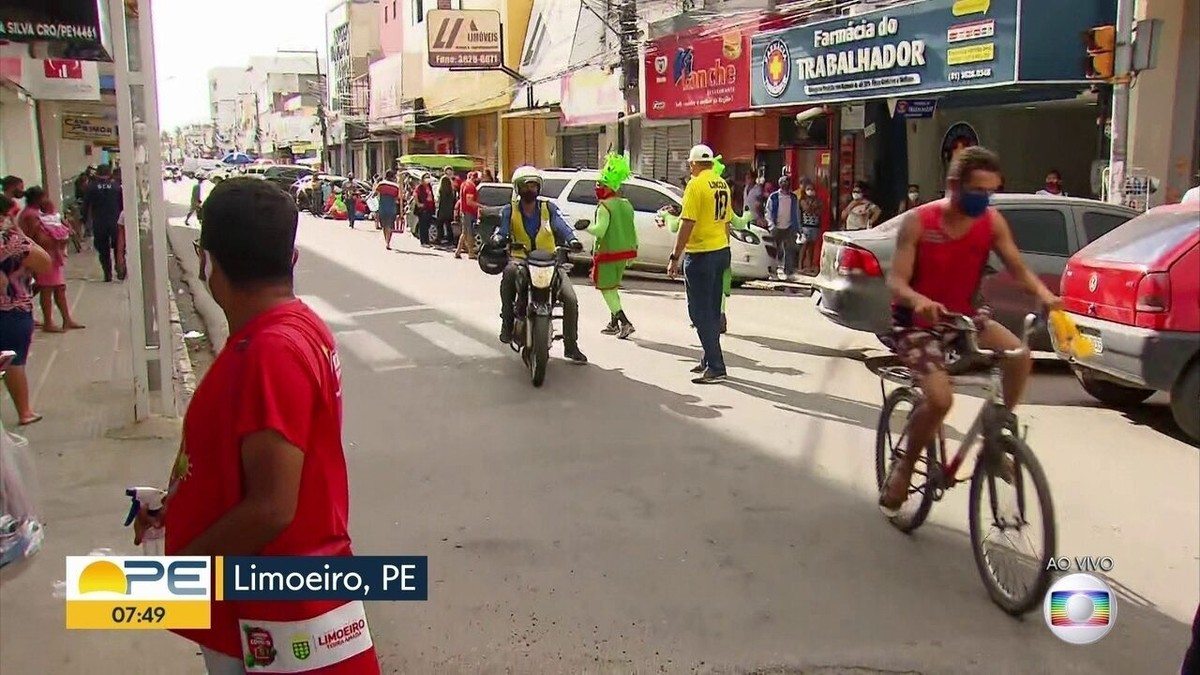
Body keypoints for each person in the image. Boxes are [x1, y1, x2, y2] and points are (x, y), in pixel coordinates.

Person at [140, 178, 382, 675]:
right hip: (260, 604)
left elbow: (272, 507)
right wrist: (174, 504)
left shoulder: (271, 353)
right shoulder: (282, 331)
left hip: (274, 618)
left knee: (95, 593)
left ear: (206, 262)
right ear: (290, 258)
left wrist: (177, 573)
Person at [879, 146, 1061, 512]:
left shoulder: (990, 223)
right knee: (940, 400)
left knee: (1019, 356)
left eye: (990, 191)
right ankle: (904, 467)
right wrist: (919, 301)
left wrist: (1046, 296)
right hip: (917, 323)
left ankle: (996, 434)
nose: (984, 199)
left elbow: (1018, 268)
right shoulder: (919, 222)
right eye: (977, 190)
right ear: (953, 185)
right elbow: (896, 281)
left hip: (964, 318)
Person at [492, 166, 587, 363]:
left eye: (534, 186)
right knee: (508, 274)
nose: (531, 190)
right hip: (521, 260)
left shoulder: (548, 208)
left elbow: (561, 225)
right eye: (527, 186)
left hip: (550, 261)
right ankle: (507, 322)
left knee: (570, 299)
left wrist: (572, 240)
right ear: (519, 188)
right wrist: (498, 238)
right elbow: (501, 230)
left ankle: (571, 346)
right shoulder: (509, 210)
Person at [667, 144, 732, 384]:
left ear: (693, 164)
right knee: (713, 310)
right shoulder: (721, 183)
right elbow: (727, 221)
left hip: (701, 254)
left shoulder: (695, 185)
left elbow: (687, 222)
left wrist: (675, 256)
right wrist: (726, 250)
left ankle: (716, 365)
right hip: (720, 250)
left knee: (698, 312)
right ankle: (708, 358)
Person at [0, 195, 53, 426]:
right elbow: (43, 262)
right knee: (14, 360)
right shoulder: (10, 240)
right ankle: (25, 411)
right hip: (12, 307)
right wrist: (21, 235)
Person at [587, 154, 639, 339]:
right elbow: (632, 229)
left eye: (601, 185)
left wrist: (586, 227)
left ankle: (624, 322)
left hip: (607, 253)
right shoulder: (626, 205)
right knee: (613, 287)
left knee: (606, 289)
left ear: (609, 187)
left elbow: (600, 231)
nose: (598, 188)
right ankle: (613, 323)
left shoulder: (604, 207)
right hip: (624, 253)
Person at [18, 188, 83, 332]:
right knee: (47, 289)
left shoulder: (36, 214)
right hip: (44, 255)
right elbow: (39, 237)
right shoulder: (32, 215)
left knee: (59, 288)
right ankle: (49, 321)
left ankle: (66, 319)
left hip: (51, 255)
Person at [81, 164, 123, 281]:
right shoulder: (116, 187)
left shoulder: (91, 187)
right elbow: (122, 206)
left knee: (103, 250)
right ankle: (120, 268)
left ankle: (107, 273)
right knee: (118, 247)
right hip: (116, 222)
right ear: (109, 173)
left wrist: (85, 221)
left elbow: (86, 207)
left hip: (99, 222)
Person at [765, 175, 801, 281]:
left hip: (789, 227)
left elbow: (797, 213)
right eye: (783, 182)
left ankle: (788, 272)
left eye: (787, 182)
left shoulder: (793, 198)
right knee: (773, 250)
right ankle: (773, 271)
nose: (785, 184)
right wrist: (771, 225)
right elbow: (768, 211)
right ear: (780, 184)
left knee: (789, 250)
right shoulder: (774, 197)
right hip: (776, 226)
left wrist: (798, 228)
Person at [372, 170, 402, 250]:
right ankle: (388, 242)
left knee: (384, 226)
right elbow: (398, 198)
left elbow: (374, 194)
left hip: (382, 207)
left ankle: (386, 240)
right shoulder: (396, 186)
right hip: (392, 208)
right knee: (390, 226)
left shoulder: (381, 184)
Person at [798, 179, 823, 274]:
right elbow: (807, 209)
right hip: (805, 226)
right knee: (804, 246)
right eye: (808, 189)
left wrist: (813, 207)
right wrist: (813, 207)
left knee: (812, 247)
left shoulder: (818, 200)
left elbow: (819, 210)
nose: (811, 191)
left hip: (815, 226)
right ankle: (800, 265)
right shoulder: (802, 200)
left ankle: (809, 266)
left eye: (812, 189)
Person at [455, 171, 480, 259]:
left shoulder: (464, 184)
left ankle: (458, 251)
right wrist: (480, 206)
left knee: (465, 232)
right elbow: (469, 201)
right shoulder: (470, 187)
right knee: (469, 233)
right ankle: (471, 253)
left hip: (464, 211)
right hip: (469, 212)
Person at [413, 173, 436, 247]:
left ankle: (427, 241)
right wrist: (418, 204)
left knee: (428, 225)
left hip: (429, 208)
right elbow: (415, 194)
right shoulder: (420, 187)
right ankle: (423, 242)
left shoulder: (429, 186)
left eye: (428, 177)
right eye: (426, 178)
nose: (428, 179)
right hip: (423, 209)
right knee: (423, 225)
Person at [436, 174, 456, 246]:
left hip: (442, 210)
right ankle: (450, 240)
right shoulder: (452, 191)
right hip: (450, 211)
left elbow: (440, 201)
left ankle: (439, 238)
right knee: (448, 226)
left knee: (440, 225)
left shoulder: (441, 191)